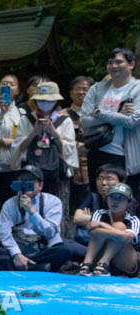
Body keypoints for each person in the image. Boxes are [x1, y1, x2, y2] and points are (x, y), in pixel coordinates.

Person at [0, 165, 73, 272]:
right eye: (22, 180)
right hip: (18, 248)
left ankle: (19, 266)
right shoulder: (10, 204)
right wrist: (16, 254)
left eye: (30, 181)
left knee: (64, 251)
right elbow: (3, 233)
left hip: (42, 249)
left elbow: (50, 232)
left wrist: (32, 212)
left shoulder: (53, 202)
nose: (25, 184)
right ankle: (36, 267)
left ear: (40, 185)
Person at [81, 49, 140, 195]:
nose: (114, 66)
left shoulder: (137, 89)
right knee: (97, 196)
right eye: (110, 62)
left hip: (124, 155)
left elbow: (132, 121)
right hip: (96, 149)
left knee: (123, 199)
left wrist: (99, 113)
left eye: (119, 62)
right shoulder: (97, 88)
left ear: (131, 64)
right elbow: (84, 120)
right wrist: (118, 115)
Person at [0, 74, 32, 236]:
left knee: (9, 203)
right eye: (4, 83)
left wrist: (12, 142)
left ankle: (8, 237)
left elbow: (26, 138)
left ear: (18, 90)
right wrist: (1, 114)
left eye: (12, 84)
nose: (7, 86)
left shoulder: (21, 113)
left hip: (12, 167)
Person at [18, 81, 77, 195]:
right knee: (28, 200)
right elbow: (19, 148)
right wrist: (34, 132)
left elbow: (68, 151)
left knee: (56, 201)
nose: (45, 103)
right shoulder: (26, 119)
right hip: (30, 171)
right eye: (41, 100)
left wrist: (54, 133)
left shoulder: (64, 121)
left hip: (57, 173)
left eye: (49, 100)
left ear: (56, 101)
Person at [77, 183, 140, 277]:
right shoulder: (99, 213)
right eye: (112, 197)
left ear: (129, 202)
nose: (115, 201)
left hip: (124, 262)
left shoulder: (133, 219)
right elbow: (92, 230)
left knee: (119, 226)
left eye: (120, 198)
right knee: (97, 232)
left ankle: (104, 262)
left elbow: (128, 237)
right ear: (106, 199)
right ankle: (87, 264)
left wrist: (101, 225)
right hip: (97, 260)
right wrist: (119, 234)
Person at [66, 75, 95, 212]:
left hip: (94, 165)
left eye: (85, 89)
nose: (82, 92)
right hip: (71, 168)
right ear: (71, 93)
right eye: (78, 89)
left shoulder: (98, 114)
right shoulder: (62, 115)